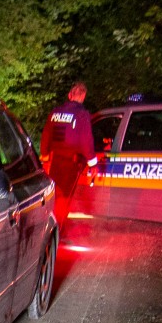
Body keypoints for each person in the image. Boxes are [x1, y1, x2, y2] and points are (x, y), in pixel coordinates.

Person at [41, 82, 98, 225]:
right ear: (83, 96)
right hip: (70, 164)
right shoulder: (81, 114)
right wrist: (93, 163)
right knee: (64, 199)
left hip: (55, 162)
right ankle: (57, 230)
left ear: (69, 95)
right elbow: (86, 140)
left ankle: (48, 225)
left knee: (54, 195)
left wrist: (45, 156)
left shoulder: (55, 112)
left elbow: (46, 135)